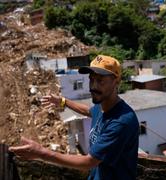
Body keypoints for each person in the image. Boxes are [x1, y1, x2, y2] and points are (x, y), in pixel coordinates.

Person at [9, 55, 139, 180]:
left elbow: (89, 161)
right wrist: (63, 101)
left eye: (100, 81)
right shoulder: (103, 106)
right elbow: (89, 111)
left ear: (116, 81)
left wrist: (41, 153)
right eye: (91, 79)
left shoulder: (121, 121)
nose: (93, 86)